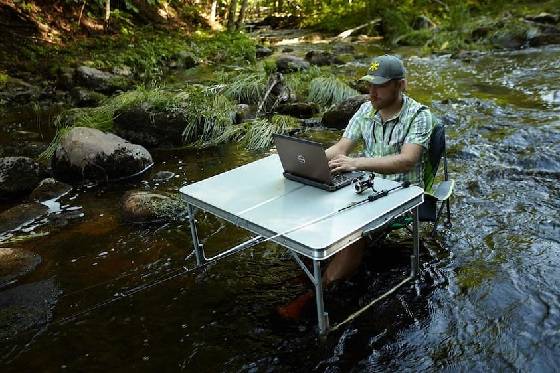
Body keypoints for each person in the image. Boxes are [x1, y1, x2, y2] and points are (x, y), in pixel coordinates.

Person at [278, 54, 434, 319]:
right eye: (369, 84)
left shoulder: (419, 116)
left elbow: (407, 161)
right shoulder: (365, 110)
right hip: (366, 184)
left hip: (403, 193)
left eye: (380, 85)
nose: (371, 91)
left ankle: (318, 292)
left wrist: (357, 163)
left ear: (400, 85)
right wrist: (307, 162)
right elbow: (341, 148)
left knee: (355, 231)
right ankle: (312, 271)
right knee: (312, 201)